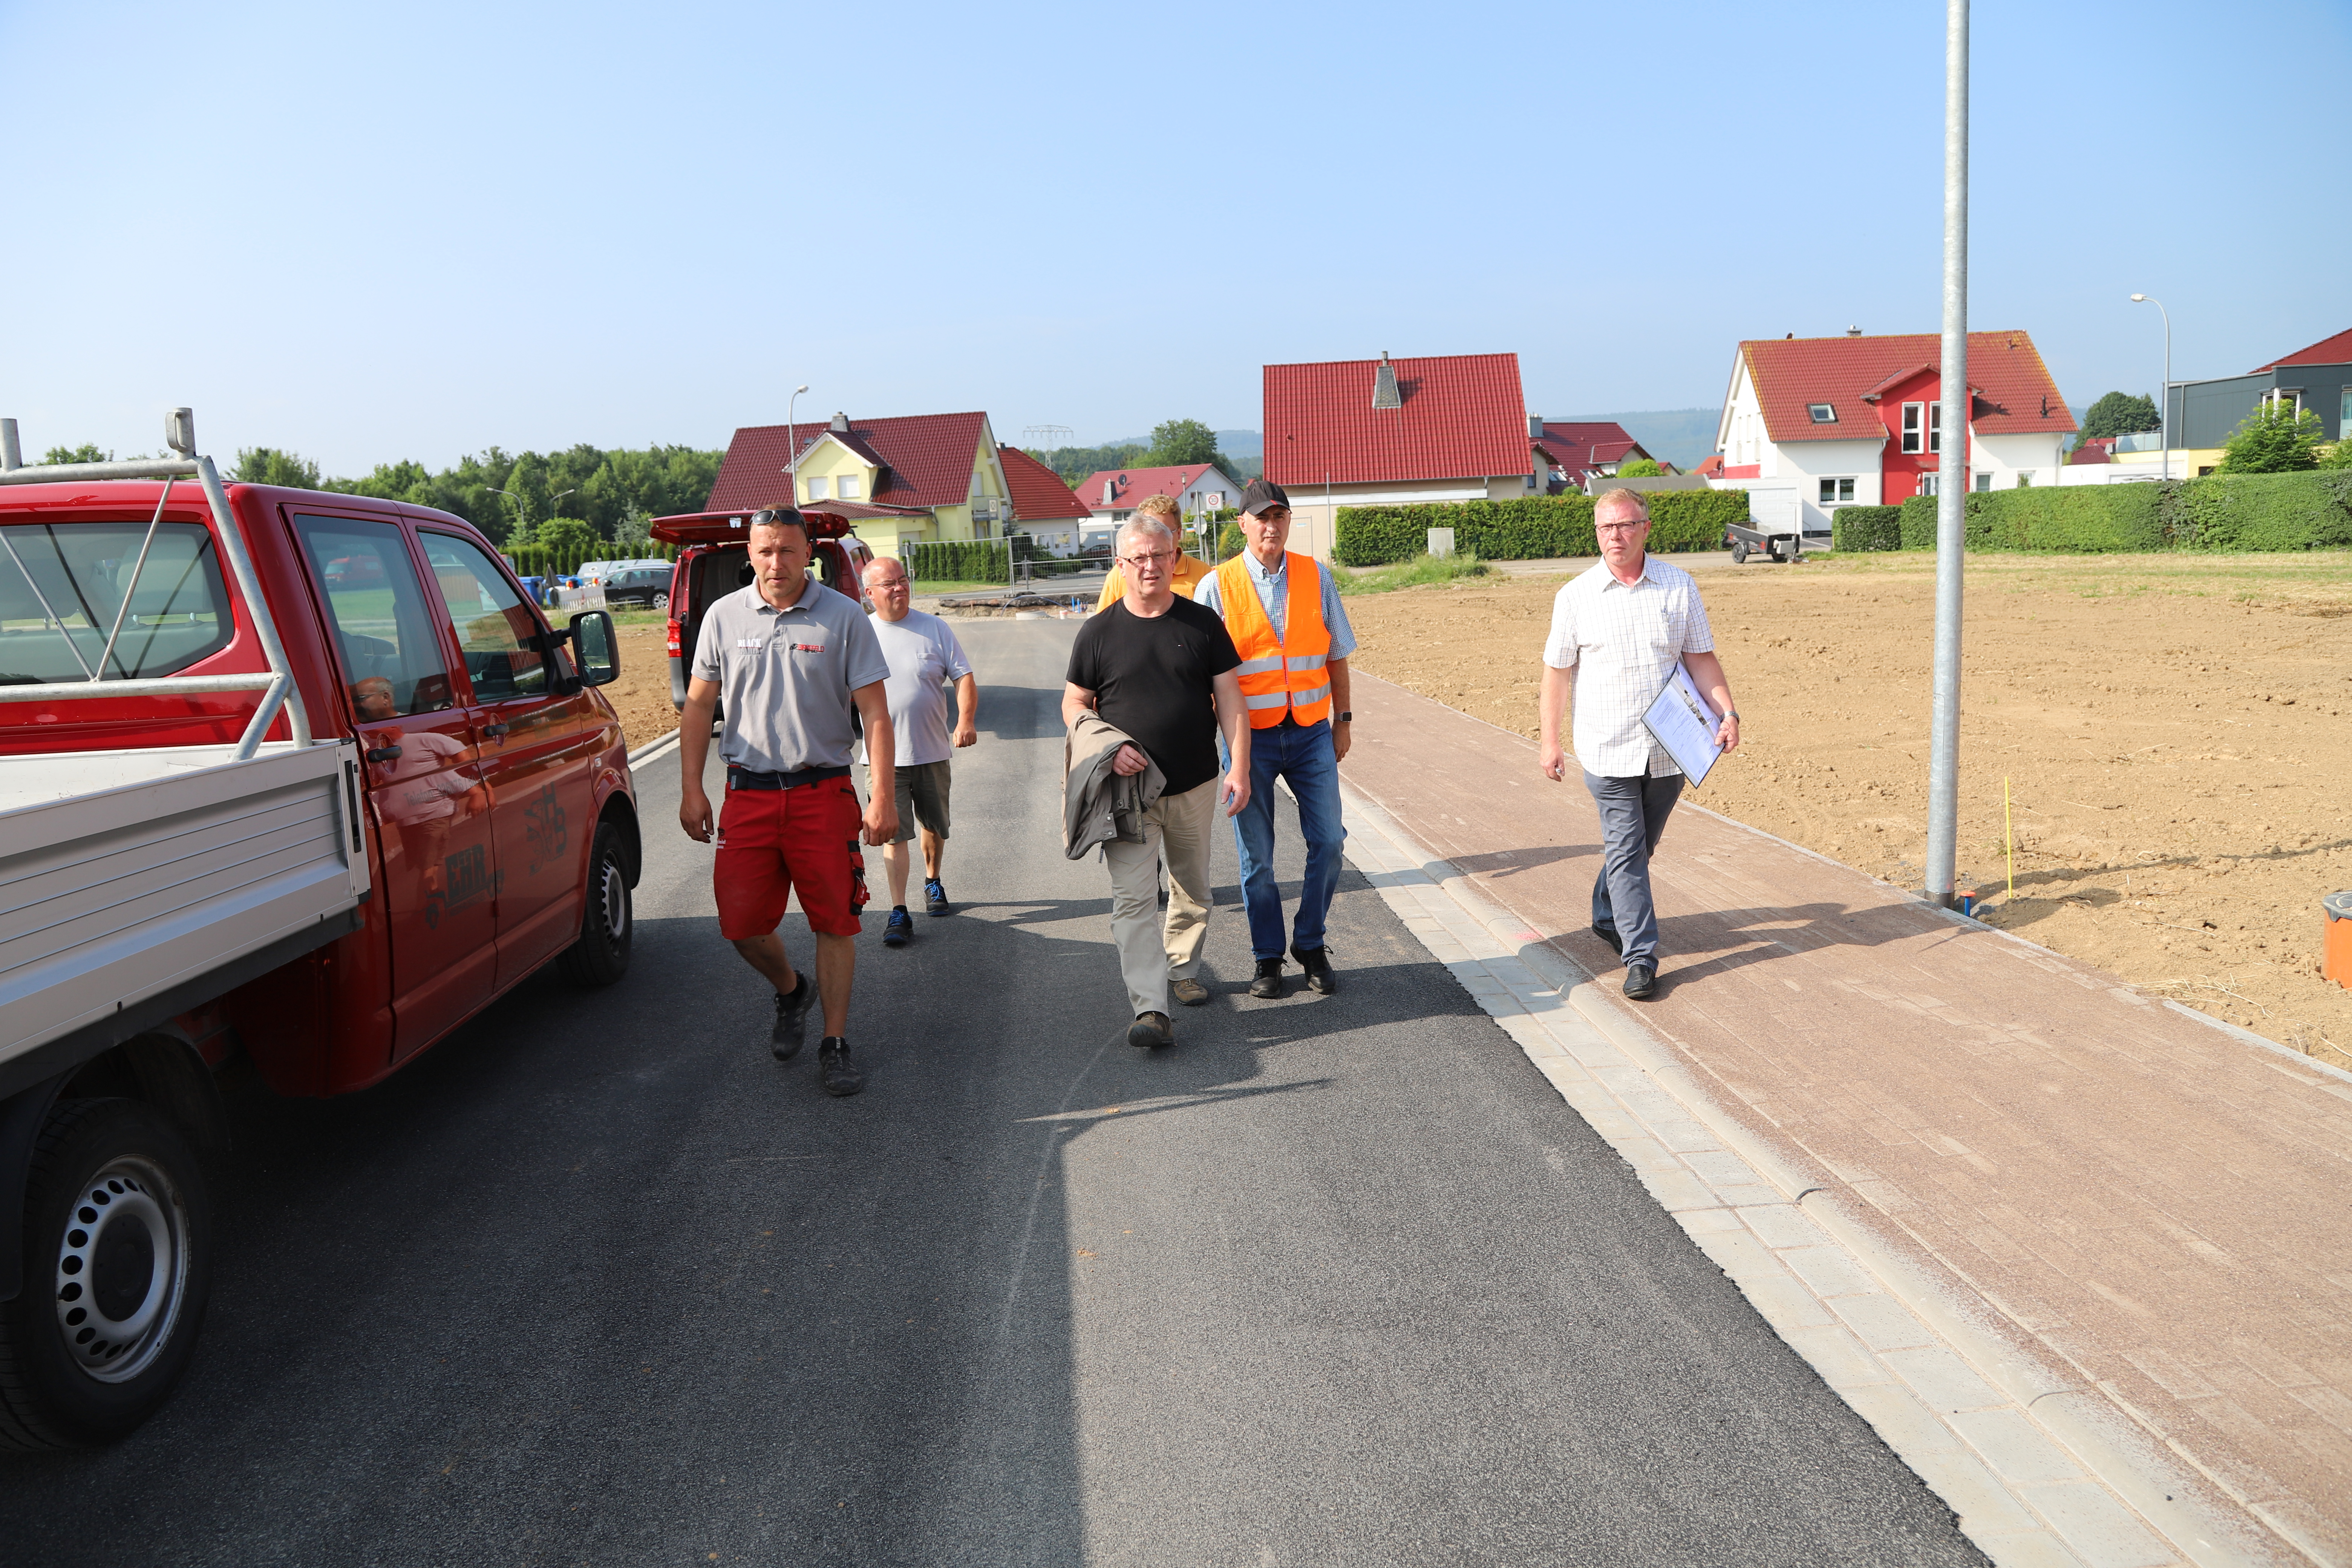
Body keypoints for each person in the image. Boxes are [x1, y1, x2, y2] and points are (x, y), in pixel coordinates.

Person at [680, 505, 898, 1096]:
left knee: (836, 922)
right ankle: (791, 991)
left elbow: (875, 712)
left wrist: (882, 795)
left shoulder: (845, 617)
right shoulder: (723, 618)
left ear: (809, 554)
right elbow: (700, 705)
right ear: (750, 554)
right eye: (765, 550)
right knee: (741, 926)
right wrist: (691, 787)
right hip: (746, 796)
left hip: (822, 793)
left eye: (788, 550)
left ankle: (834, 1042)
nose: (776, 562)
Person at [1537, 488, 1740, 1000]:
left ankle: (1607, 913)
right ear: (1597, 532)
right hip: (1607, 748)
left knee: (1639, 848)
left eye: (1626, 526)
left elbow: (1700, 659)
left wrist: (1728, 712)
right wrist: (1550, 741)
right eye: (1607, 528)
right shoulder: (1575, 596)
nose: (1616, 536)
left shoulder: (1678, 586)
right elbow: (1557, 675)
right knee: (1627, 850)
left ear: (1646, 528)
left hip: (1672, 748)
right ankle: (1642, 956)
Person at [1062, 514, 1252, 1047]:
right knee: (1133, 902)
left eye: (1159, 556)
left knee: (1192, 888)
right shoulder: (1098, 632)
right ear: (1120, 565)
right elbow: (1074, 703)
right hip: (1127, 795)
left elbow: (1231, 701)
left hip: (1194, 784)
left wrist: (1240, 766)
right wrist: (1108, 745)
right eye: (1138, 558)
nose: (1149, 566)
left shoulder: (1202, 624)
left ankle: (1183, 968)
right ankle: (1151, 1010)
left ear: (1175, 560)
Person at [1192, 478, 1358, 1000]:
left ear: (1289, 521)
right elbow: (1200, 675)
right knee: (1257, 857)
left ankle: (1310, 943)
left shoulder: (1317, 576)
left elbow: (1336, 655)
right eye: (1261, 518)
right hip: (1249, 742)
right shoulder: (1216, 587)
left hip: (1310, 732)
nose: (1271, 525)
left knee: (1330, 842)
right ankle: (1268, 957)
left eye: (1279, 516)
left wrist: (1344, 720)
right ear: (1241, 524)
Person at [860, 555, 977, 946]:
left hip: (931, 749)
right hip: (883, 759)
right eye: (889, 583)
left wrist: (965, 721)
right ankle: (898, 909)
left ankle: (933, 881)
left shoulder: (935, 628)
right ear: (869, 593)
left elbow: (963, 676)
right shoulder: (861, 634)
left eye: (903, 579)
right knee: (893, 834)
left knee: (933, 824)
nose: (899, 588)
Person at [1095, 494, 1212, 610]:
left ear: (1179, 533)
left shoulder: (1204, 573)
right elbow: (1104, 622)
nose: (1156, 538)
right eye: (1148, 531)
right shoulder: (1120, 573)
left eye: (1165, 531)